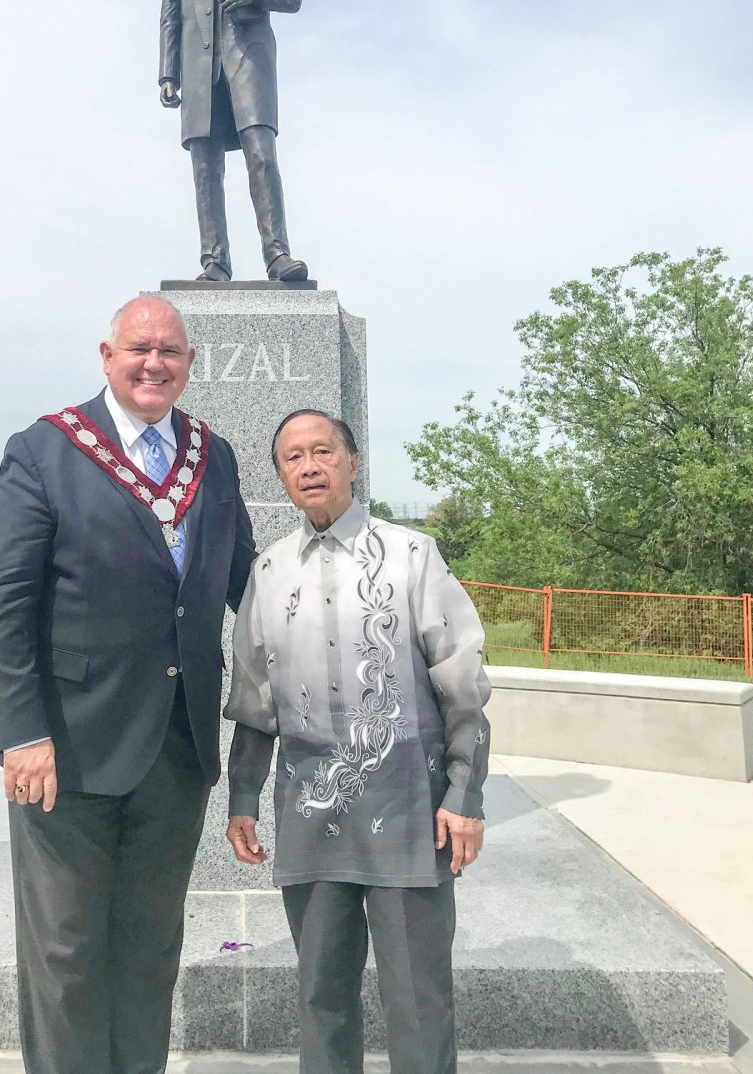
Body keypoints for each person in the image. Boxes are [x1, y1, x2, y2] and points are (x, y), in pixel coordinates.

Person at [0, 296, 255, 1074]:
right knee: (65, 951)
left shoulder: (214, 455)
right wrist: (23, 732)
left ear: (189, 365)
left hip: (177, 745)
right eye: (139, 348)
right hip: (67, 744)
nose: (154, 363)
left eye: (170, 351)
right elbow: (3, 603)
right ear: (107, 355)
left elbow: (247, 583)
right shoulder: (45, 450)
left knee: (149, 945)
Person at [224, 410, 490, 1074]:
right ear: (282, 474)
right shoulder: (270, 567)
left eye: (322, 451)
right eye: (293, 457)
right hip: (310, 810)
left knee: (418, 999)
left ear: (352, 461)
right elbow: (256, 697)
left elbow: (463, 685)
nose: (309, 465)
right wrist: (243, 796)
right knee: (321, 995)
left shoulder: (411, 555)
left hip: (407, 805)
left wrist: (466, 792)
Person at [159, 0, 310, 283]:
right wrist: (168, 73)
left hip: (250, 65)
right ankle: (214, 260)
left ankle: (278, 254)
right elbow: (171, 15)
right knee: (205, 167)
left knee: (261, 156)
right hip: (198, 71)